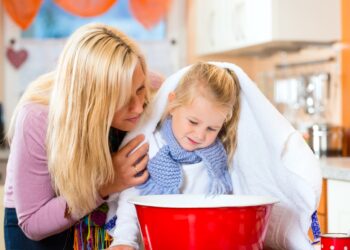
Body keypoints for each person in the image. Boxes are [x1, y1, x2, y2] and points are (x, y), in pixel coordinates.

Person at [3, 23, 151, 250]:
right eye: (123, 100)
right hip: (39, 228)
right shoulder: (37, 118)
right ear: (92, 100)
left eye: (140, 89)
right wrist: (107, 183)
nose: (139, 108)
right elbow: (33, 223)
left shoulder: (133, 78)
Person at [107, 62, 241, 249]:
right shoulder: (151, 146)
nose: (200, 135)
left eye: (212, 128)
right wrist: (123, 240)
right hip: (155, 240)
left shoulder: (218, 157)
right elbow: (132, 198)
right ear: (173, 104)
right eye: (193, 122)